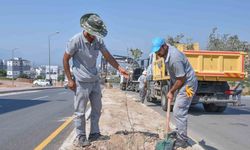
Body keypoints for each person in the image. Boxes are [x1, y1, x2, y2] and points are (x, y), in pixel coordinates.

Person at [63, 13, 129, 147]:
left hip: (94, 80)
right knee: (80, 111)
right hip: (81, 81)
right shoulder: (75, 40)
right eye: (93, 32)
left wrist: (119, 68)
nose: (95, 35)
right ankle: (81, 136)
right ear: (87, 29)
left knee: (97, 108)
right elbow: (65, 59)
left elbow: (108, 56)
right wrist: (70, 80)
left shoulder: (98, 41)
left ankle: (94, 133)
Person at [151, 37, 198, 149]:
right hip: (182, 83)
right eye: (156, 51)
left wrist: (171, 91)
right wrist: (171, 90)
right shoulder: (166, 54)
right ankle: (178, 132)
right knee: (178, 109)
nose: (157, 53)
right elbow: (175, 77)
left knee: (178, 110)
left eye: (158, 50)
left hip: (188, 86)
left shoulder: (174, 57)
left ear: (164, 46)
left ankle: (182, 140)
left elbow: (181, 78)